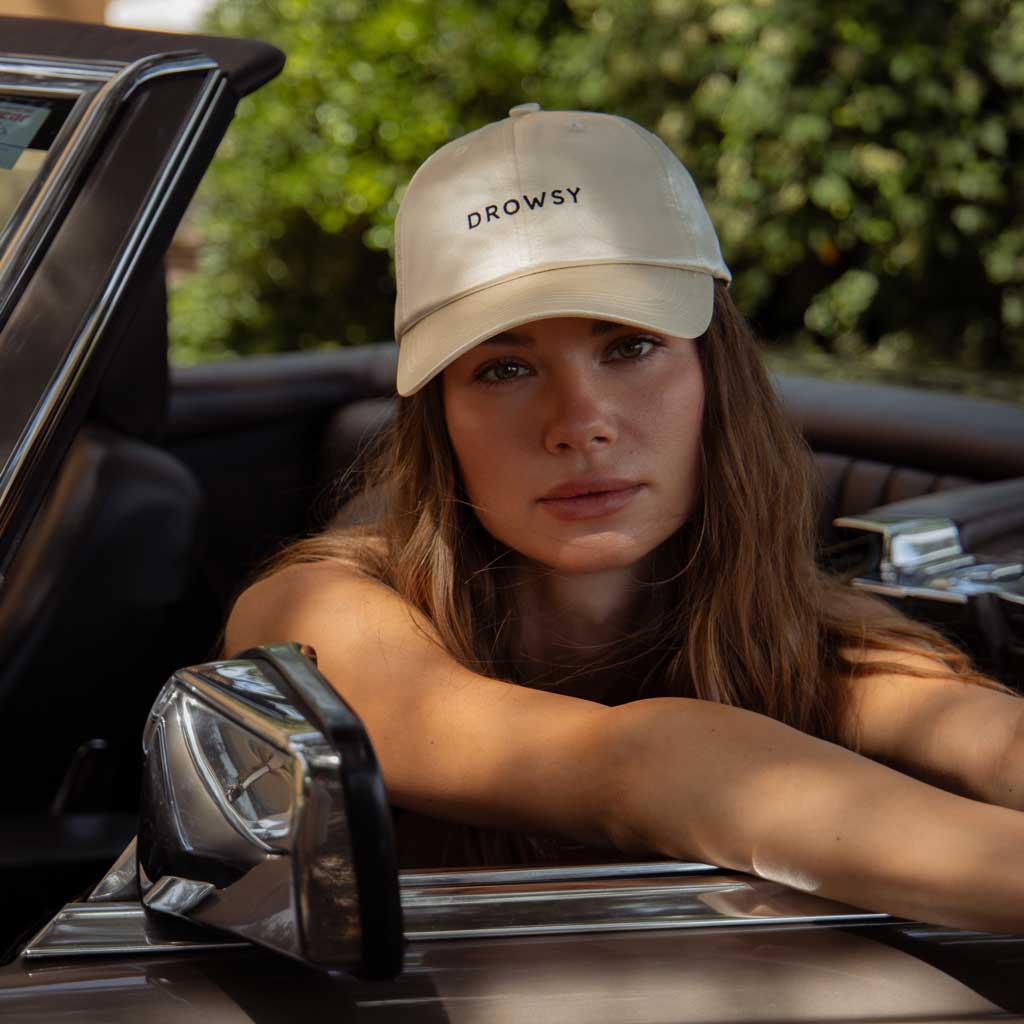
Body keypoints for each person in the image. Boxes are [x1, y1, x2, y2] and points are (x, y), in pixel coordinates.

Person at [225, 104, 1024, 932]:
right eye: (504, 367)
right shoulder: (313, 615)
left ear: (717, 377)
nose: (580, 421)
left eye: (630, 346)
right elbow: (639, 764)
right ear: (439, 418)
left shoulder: (796, 636)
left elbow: (990, 740)